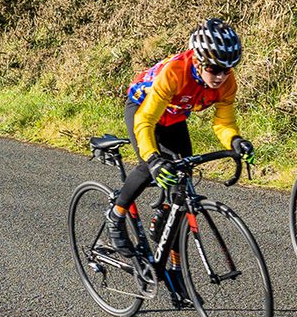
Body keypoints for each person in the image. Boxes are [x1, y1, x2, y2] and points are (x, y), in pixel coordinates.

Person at [102, 19, 248, 257]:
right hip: (142, 109)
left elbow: (224, 121)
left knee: (184, 176)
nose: (221, 76)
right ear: (199, 62)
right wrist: (153, 157)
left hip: (174, 117)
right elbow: (145, 120)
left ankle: (168, 234)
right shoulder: (175, 72)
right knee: (150, 165)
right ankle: (116, 214)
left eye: (227, 69)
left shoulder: (227, 83)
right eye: (214, 69)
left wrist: (234, 140)